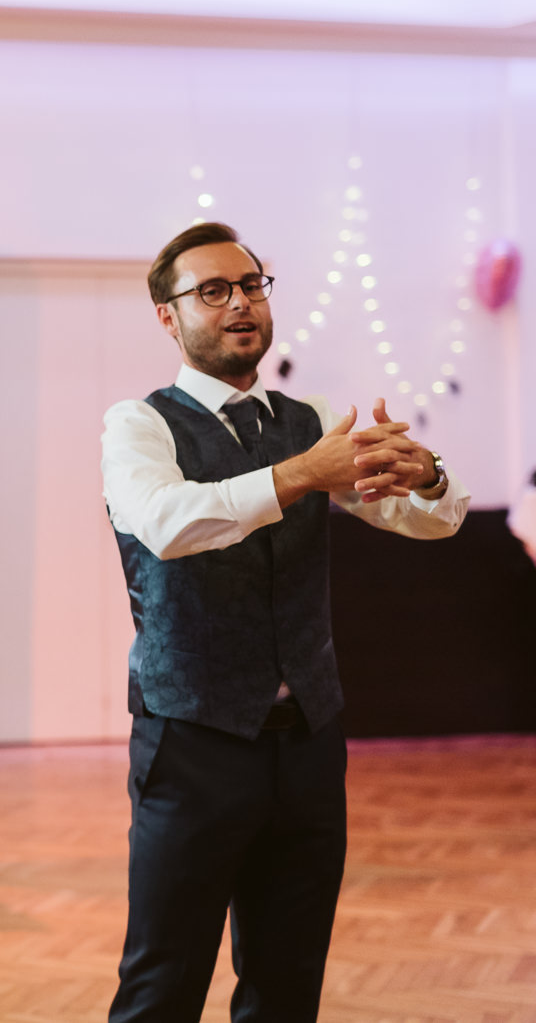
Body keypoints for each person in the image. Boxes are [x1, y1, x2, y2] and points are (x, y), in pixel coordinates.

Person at [101, 221, 469, 1021]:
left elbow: (430, 520)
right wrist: (306, 475)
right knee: (162, 984)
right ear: (169, 316)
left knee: (287, 982)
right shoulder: (139, 426)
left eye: (252, 284)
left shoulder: (312, 420)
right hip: (192, 742)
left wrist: (430, 476)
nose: (240, 302)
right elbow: (167, 523)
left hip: (307, 742)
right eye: (212, 290)